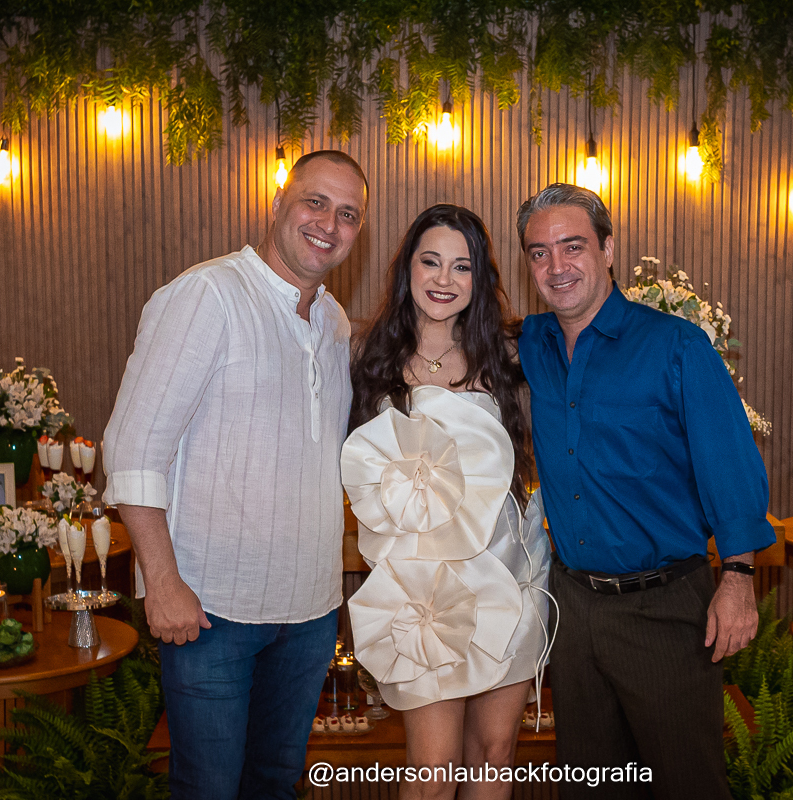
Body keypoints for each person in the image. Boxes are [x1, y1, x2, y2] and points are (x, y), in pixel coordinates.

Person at [102, 150, 368, 800]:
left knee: (275, 785)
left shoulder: (332, 322)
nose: (328, 224)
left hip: (310, 612)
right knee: (209, 789)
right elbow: (132, 450)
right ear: (278, 202)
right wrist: (162, 583)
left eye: (348, 214)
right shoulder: (208, 295)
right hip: (211, 609)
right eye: (315, 202)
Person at [516, 184, 775, 799]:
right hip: (572, 608)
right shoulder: (531, 344)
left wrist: (739, 578)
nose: (556, 266)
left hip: (663, 608)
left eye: (573, 246)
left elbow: (729, 463)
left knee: (687, 784)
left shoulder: (675, 345)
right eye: (539, 253)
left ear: (608, 250)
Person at [343, 204, 550, 800]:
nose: (443, 279)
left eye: (462, 267)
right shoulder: (364, 353)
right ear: (406, 267)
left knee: (494, 755)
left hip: (508, 570)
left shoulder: (510, 353)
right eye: (430, 261)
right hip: (420, 590)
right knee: (432, 772)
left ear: (480, 277)